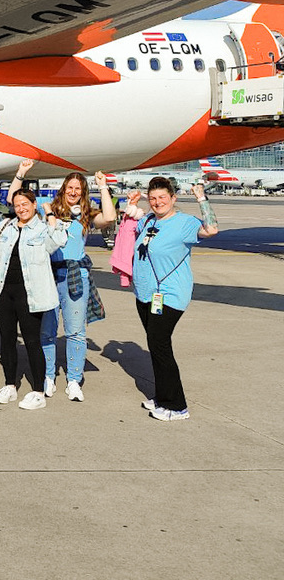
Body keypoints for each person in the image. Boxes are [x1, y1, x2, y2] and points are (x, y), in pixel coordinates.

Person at [9, 161, 117, 401]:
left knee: (75, 331)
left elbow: (109, 218)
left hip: (76, 276)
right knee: (47, 331)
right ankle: (48, 376)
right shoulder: (48, 208)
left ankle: (74, 380)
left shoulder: (86, 214)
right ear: (63, 189)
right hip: (48, 276)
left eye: (78, 188)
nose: (73, 192)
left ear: (83, 192)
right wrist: (21, 173)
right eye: (70, 187)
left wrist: (103, 186)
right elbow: (13, 200)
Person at [121, 178, 218, 421]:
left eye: (163, 197)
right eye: (153, 198)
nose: (158, 202)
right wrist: (131, 204)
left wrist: (201, 198)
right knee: (155, 346)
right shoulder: (149, 220)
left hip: (170, 294)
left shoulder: (184, 223)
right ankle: (163, 396)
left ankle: (177, 406)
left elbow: (211, 229)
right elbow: (127, 225)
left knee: (160, 345)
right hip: (145, 293)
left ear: (173, 198)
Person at [0, 188, 67, 410]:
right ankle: (10, 385)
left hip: (31, 294)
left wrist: (50, 214)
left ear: (34, 205)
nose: (21, 208)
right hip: (3, 292)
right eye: (17, 205)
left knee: (32, 340)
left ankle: (38, 391)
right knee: (6, 339)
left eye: (25, 203)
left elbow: (58, 241)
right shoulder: (6, 226)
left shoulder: (43, 228)